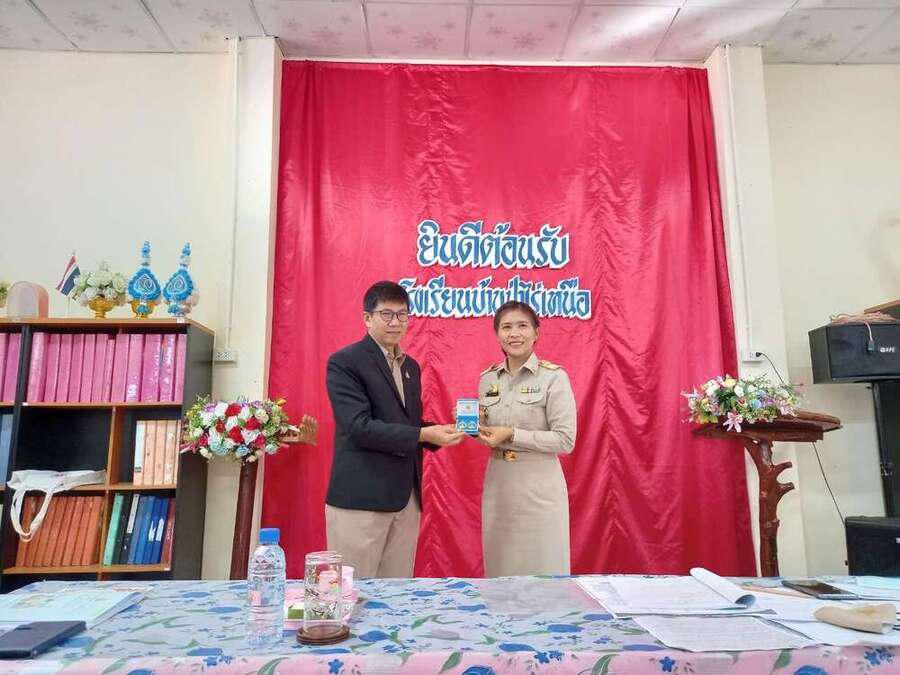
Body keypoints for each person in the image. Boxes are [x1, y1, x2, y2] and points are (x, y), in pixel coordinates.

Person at [325, 281, 464, 578]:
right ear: (367, 318)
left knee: (397, 591)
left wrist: (441, 431)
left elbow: (407, 424)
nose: (395, 322)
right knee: (354, 591)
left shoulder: (410, 366)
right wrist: (423, 435)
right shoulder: (345, 362)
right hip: (362, 499)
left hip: (405, 498)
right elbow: (358, 427)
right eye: (386, 314)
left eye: (402, 315)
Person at [476, 301, 577, 576]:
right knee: (501, 571)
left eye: (522, 326)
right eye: (506, 327)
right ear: (497, 334)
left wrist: (512, 433)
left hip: (539, 488)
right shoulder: (487, 379)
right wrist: (472, 424)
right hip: (499, 485)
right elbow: (488, 435)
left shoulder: (554, 378)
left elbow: (565, 440)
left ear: (536, 333)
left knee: (544, 571)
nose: (514, 333)